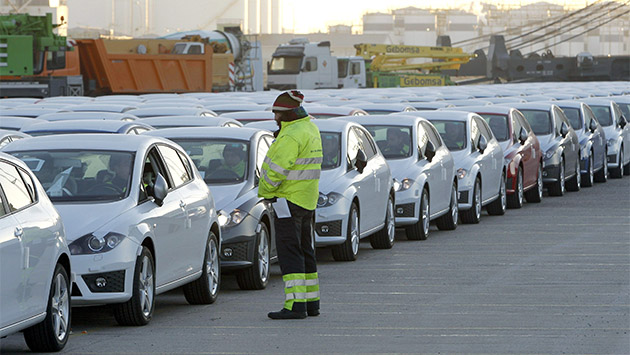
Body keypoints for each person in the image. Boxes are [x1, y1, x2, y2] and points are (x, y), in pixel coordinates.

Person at [258, 90, 323, 320]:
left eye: (278, 113)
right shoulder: (310, 128)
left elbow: (277, 170)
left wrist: (265, 191)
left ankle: (295, 306)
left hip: (288, 200)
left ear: (288, 114)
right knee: (306, 251)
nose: (275, 117)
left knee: (289, 253)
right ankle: (311, 303)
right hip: (306, 200)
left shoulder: (291, 136)